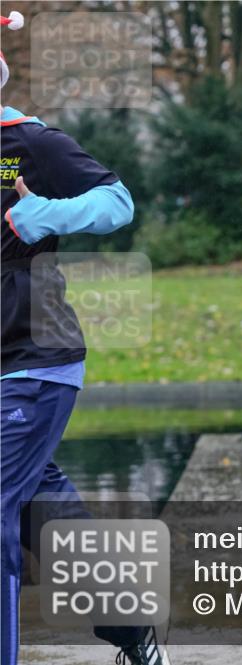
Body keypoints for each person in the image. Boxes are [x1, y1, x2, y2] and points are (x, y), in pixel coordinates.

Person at [0, 12, 164, 664]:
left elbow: (118, 201)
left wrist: (46, 215)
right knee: (39, 504)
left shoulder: (27, 142)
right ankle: (133, 631)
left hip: (32, 361)